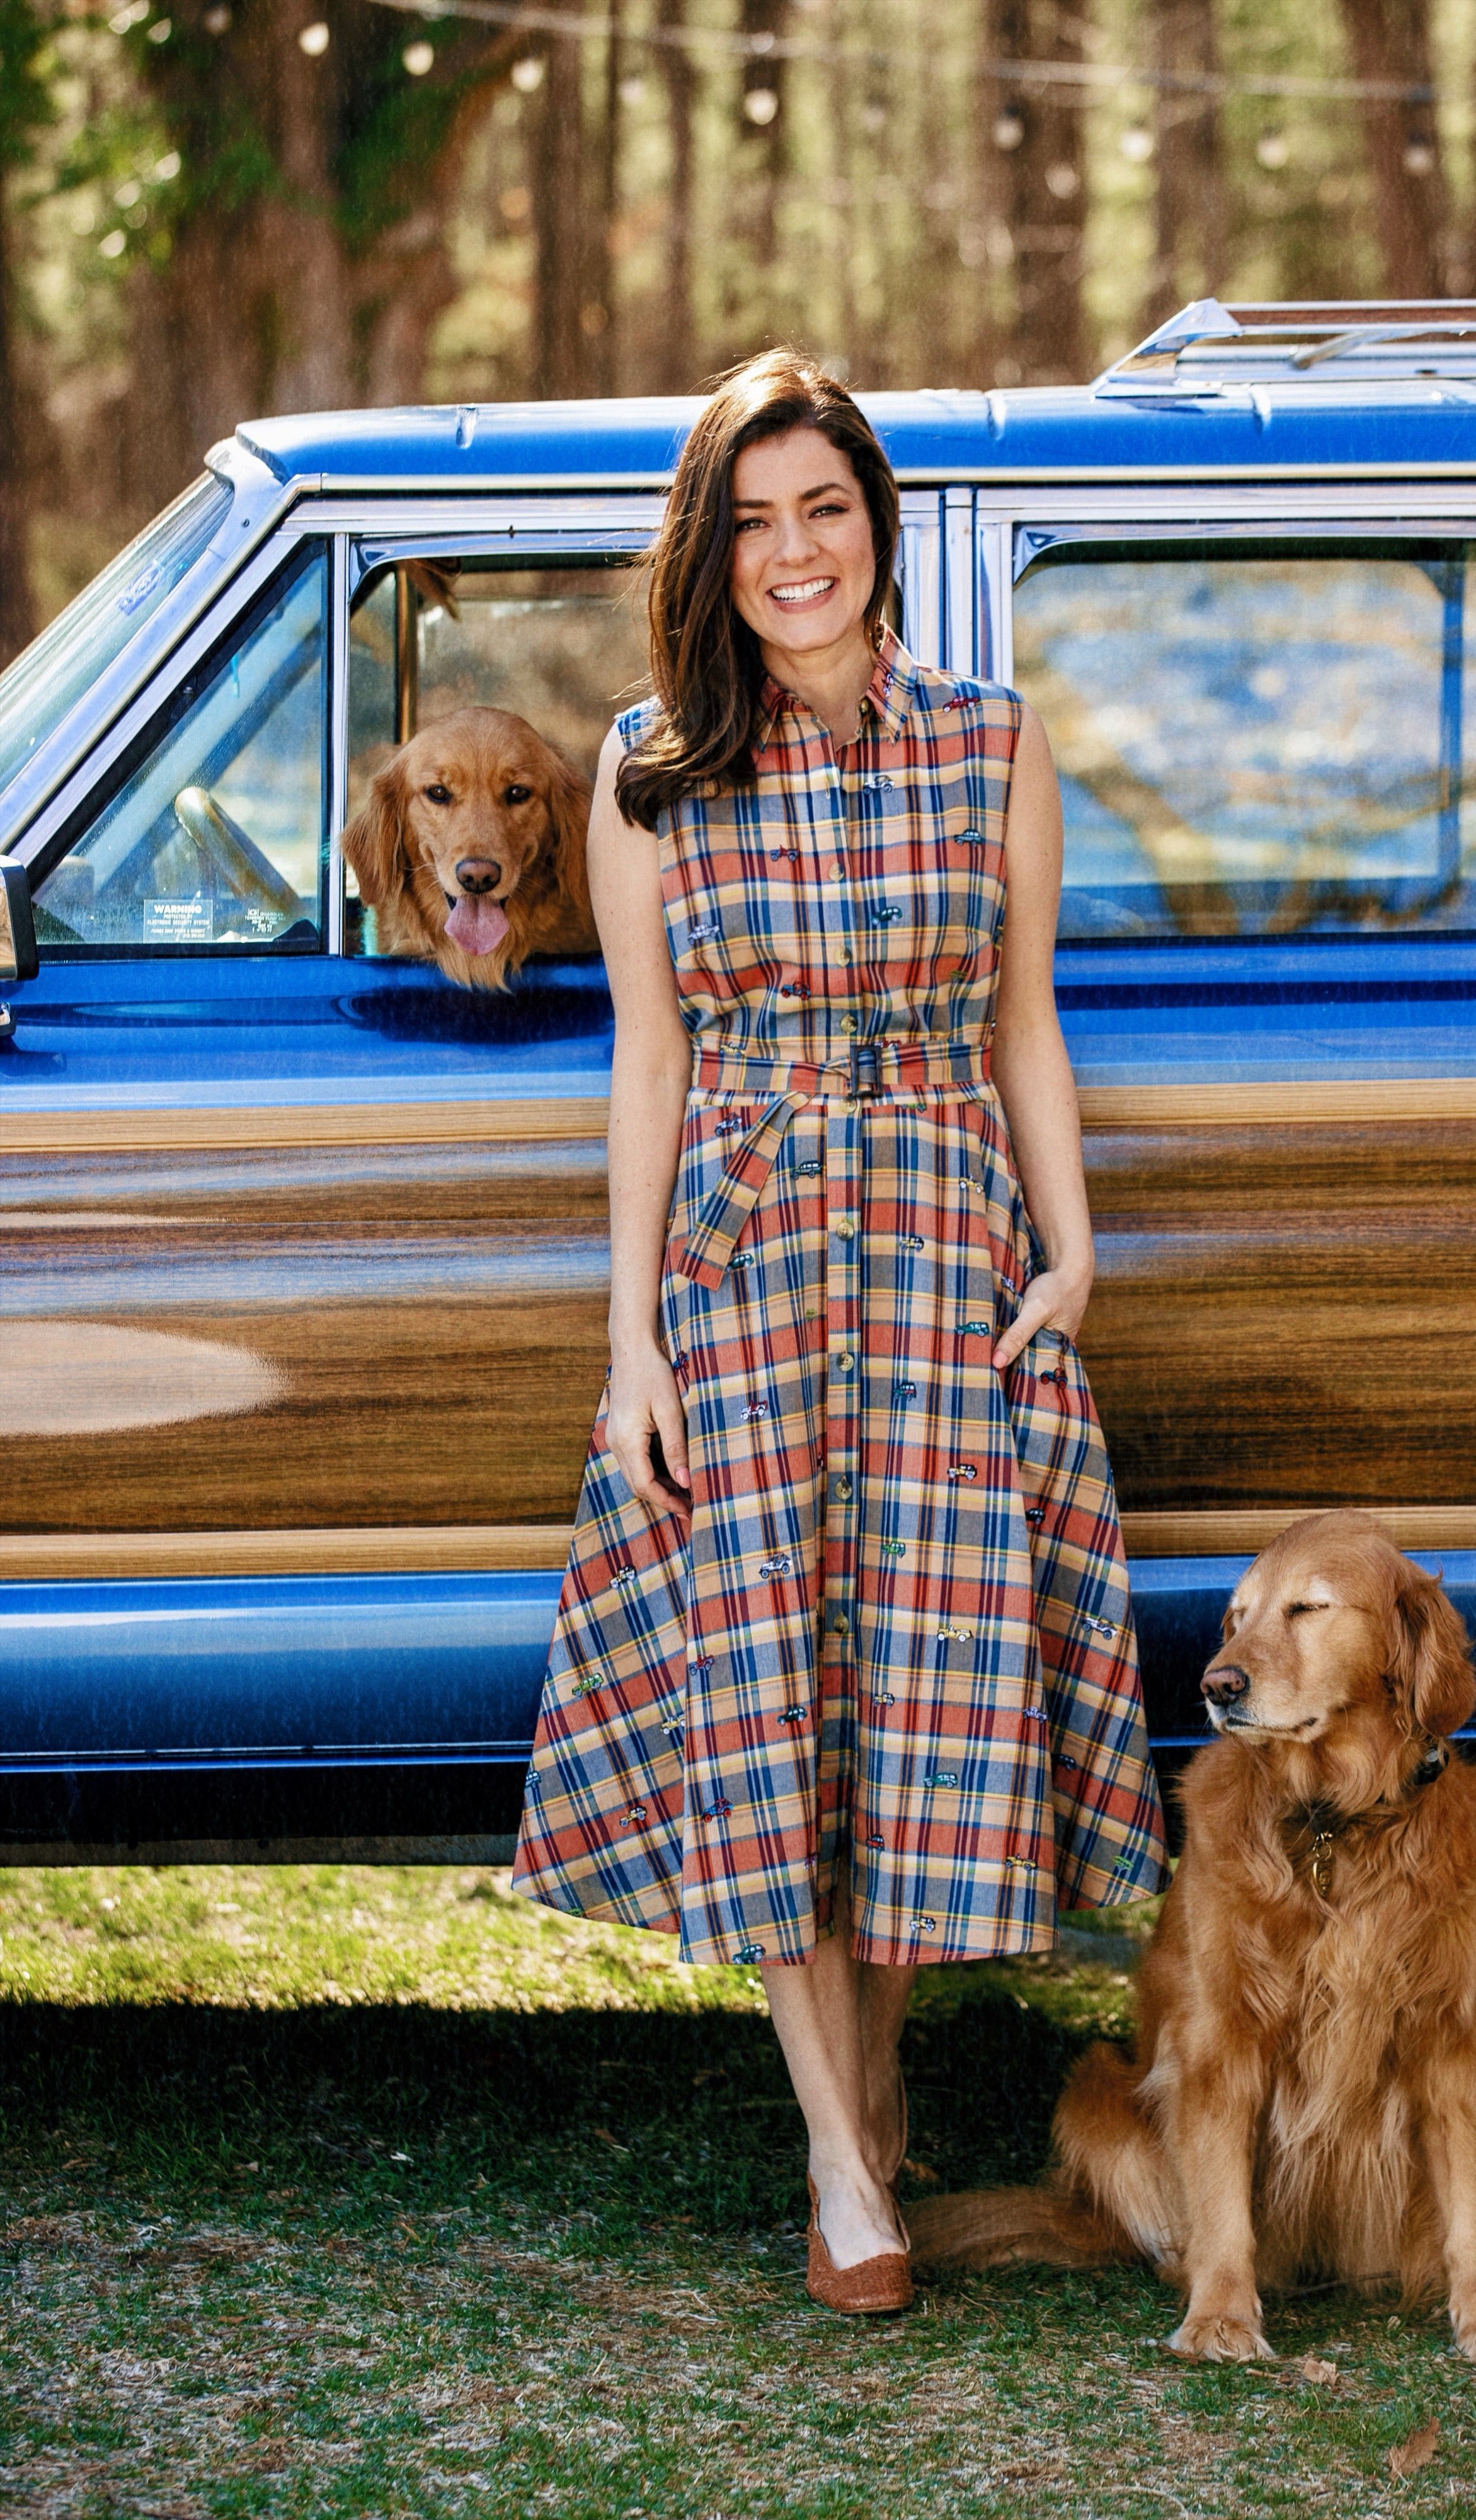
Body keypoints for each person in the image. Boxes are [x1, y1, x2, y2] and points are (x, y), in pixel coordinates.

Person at [513, 350, 1167, 2313]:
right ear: (707, 556)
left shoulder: (988, 739)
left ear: (875, 530)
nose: (793, 553)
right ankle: (835, 2155)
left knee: (903, 1703)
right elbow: (648, 1062)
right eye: (753, 520)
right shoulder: (653, 764)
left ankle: (870, 2097)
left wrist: (1072, 1252)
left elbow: (1022, 1017)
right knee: (764, 1693)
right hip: (745, 1255)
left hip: (946, 1248)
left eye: (824, 511)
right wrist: (630, 1344)